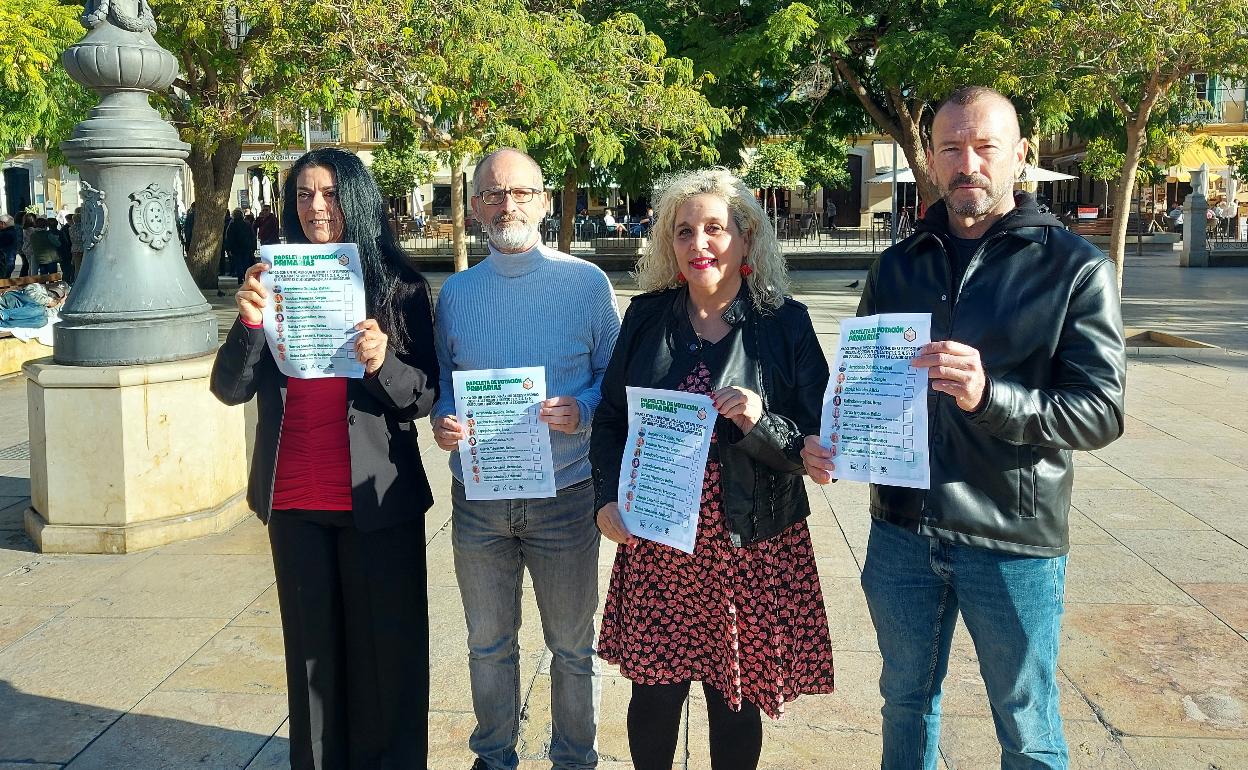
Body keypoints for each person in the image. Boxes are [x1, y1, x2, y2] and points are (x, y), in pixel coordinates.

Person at [802, 86, 1126, 770]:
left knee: (1027, 722)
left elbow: (1101, 412)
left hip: (1012, 535)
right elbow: (865, 381)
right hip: (901, 531)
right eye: (951, 148)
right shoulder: (897, 264)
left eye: (984, 147)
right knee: (905, 704)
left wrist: (990, 397)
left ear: (1020, 156)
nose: (967, 163)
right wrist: (841, 434)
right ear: (931, 157)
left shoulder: (1074, 269)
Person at [591, 167, 836, 770]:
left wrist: (761, 421)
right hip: (659, 542)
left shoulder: (786, 324)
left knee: (735, 700)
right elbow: (611, 421)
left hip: (747, 541)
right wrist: (604, 499)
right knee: (653, 699)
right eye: (684, 231)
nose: (699, 244)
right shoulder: (646, 317)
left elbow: (818, 442)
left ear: (746, 239)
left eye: (715, 229)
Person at [210, 147, 438, 770]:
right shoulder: (271, 281)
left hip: (378, 502)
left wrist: (380, 362)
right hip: (294, 503)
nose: (317, 207)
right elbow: (229, 389)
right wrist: (250, 326)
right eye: (305, 195)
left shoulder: (402, 289)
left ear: (356, 200)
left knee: (386, 657)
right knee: (311, 663)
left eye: (331, 194)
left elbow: (422, 395)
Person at [430, 147, 620, 770]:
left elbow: (612, 380)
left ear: (543, 200)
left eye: (518, 193)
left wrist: (583, 408)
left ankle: (574, 759)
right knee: (487, 645)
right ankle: (493, 756)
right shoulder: (457, 294)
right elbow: (448, 380)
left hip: (564, 497)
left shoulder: (587, 285)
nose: (504, 205)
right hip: (479, 498)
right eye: (490, 194)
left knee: (571, 647)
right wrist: (444, 421)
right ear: (475, 206)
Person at [223, 207, 257, 285]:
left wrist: (229, 248)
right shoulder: (247, 224)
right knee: (246, 263)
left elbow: (229, 238)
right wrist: (253, 247)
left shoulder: (232, 225)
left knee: (238, 263)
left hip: (236, 248)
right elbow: (252, 236)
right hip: (246, 247)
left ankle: (240, 278)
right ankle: (246, 277)